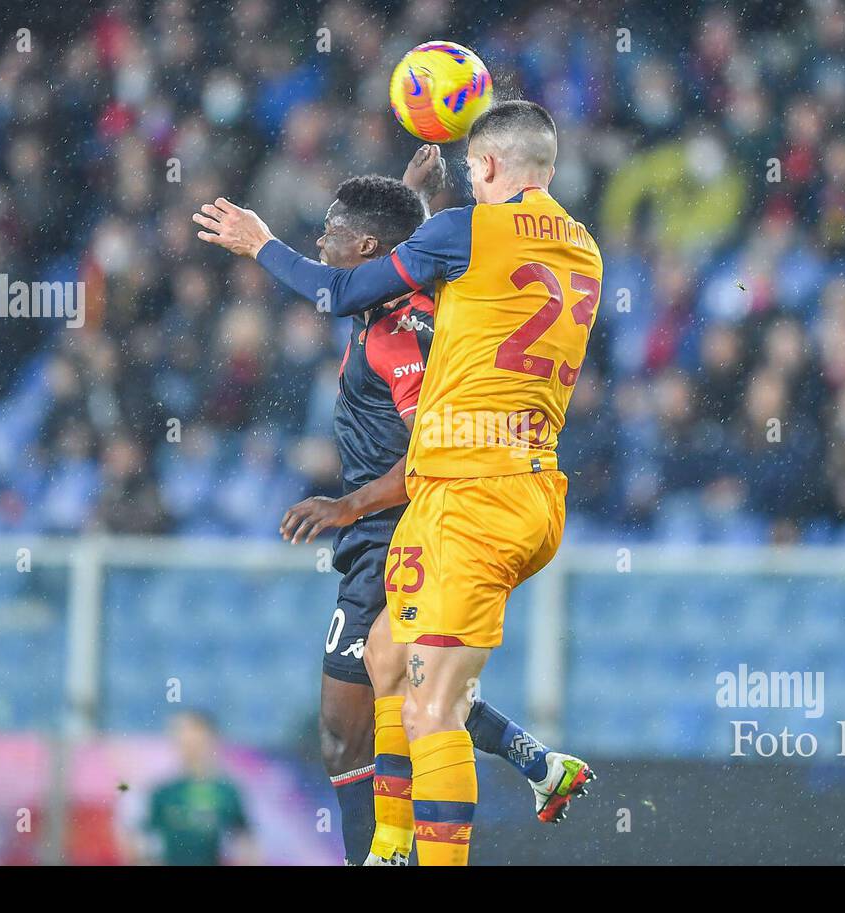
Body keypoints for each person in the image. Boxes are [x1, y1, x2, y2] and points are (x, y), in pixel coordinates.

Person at [196, 102, 602, 866]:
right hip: (507, 485)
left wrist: (263, 245)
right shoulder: (583, 246)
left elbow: (347, 288)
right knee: (389, 658)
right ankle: (390, 847)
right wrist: (430, 210)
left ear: (483, 167)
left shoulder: (455, 240)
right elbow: (482, 269)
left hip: (473, 493)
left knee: (433, 707)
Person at [134, 709, 259, 866]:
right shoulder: (162, 793)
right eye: (180, 735)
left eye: (193, 735)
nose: (187, 742)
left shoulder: (227, 792)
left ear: (209, 737)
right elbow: (145, 846)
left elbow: (246, 843)